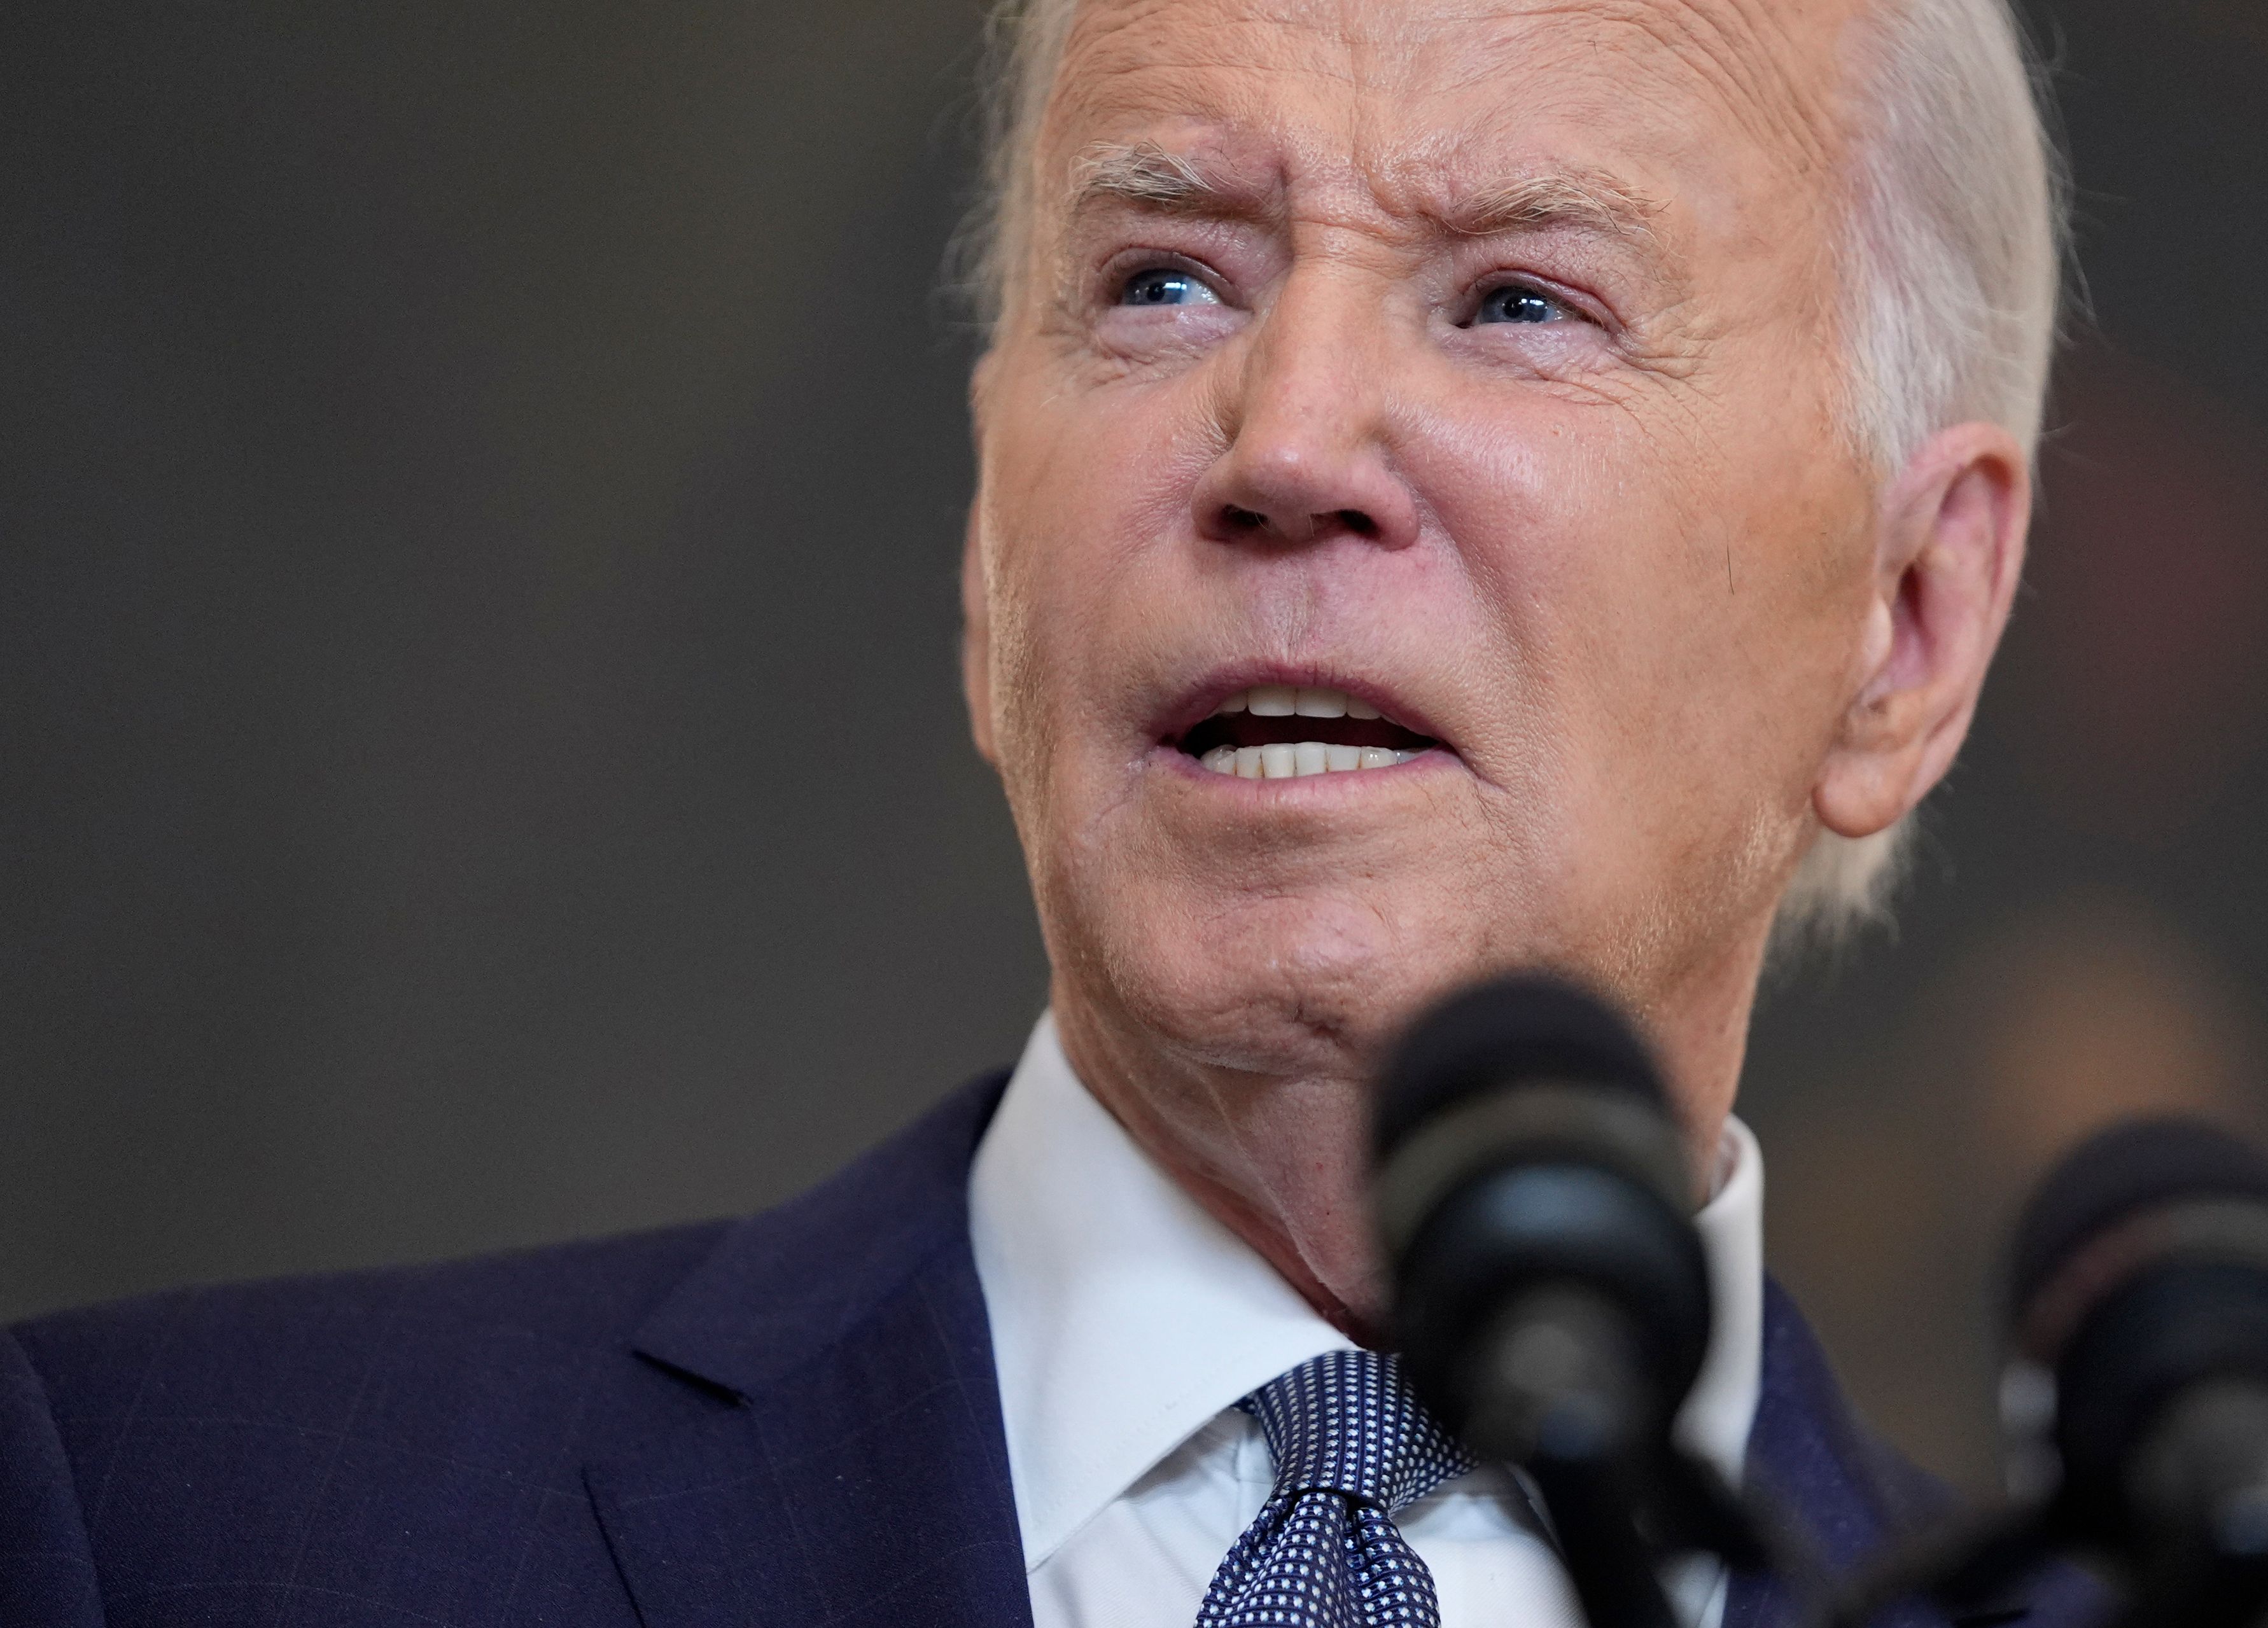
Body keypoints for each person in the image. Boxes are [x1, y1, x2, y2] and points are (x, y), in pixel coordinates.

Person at [0, 0, 2106, 1624]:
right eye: (1163, 280)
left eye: (1520, 301)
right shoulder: (177, 1525)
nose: (1281, 437)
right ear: (988, 547)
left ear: (1909, 625)